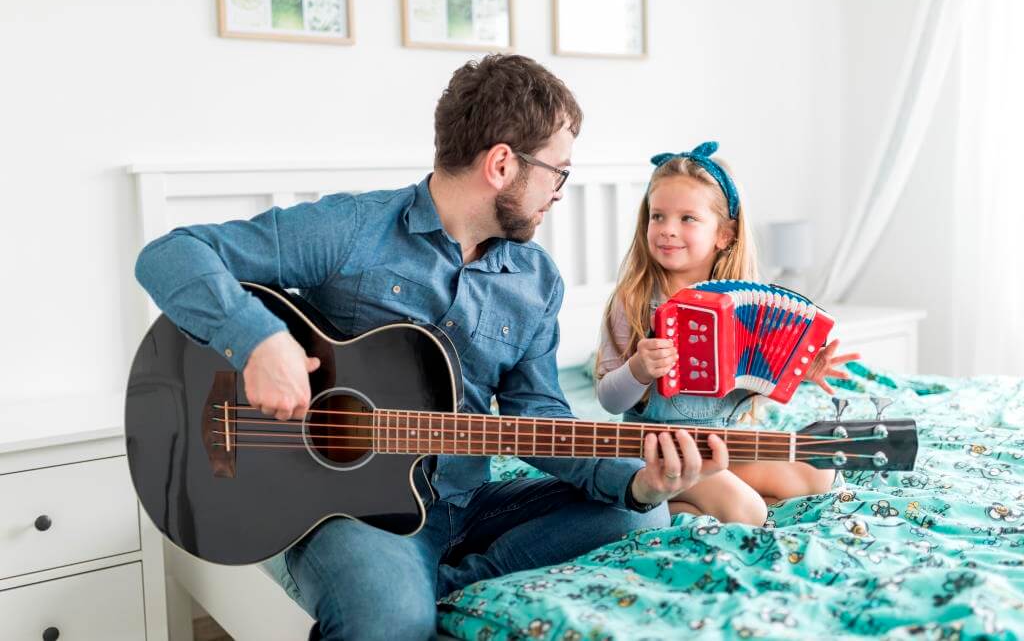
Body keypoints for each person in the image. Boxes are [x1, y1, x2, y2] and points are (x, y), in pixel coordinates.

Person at [134, 56, 731, 641]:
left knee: (641, 508)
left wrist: (640, 483)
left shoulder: (536, 280)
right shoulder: (353, 230)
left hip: (469, 500)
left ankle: (456, 583)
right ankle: (405, 589)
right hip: (352, 509)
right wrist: (258, 341)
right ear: (502, 164)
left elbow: (538, 416)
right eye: (557, 171)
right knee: (390, 620)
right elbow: (170, 253)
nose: (558, 192)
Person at [595, 142, 857, 525]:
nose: (668, 230)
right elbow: (608, 400)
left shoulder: (745, 304)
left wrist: (797, 373)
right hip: (661, 454)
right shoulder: (633, 300)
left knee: (818, 474)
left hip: (723, 444)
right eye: (658, 216)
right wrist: (637, 369)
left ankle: (714, 497)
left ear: (724, 234)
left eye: (687, 218)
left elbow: (752, 390)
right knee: (747, 510)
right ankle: (670, 506)